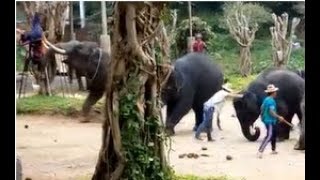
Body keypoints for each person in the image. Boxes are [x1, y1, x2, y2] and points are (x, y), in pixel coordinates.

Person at [257, 84, 286, 159]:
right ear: (273, 93)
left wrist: (262, 116)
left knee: (274, 134)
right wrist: (279, 117)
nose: (276, 93)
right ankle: (260, 151)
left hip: (270, 120)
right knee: (269, 135)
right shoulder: (271, 101)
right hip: (269, 121)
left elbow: (262, 107)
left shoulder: (266, 99)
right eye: (275, 92)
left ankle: (273, 150)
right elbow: (271, 112)